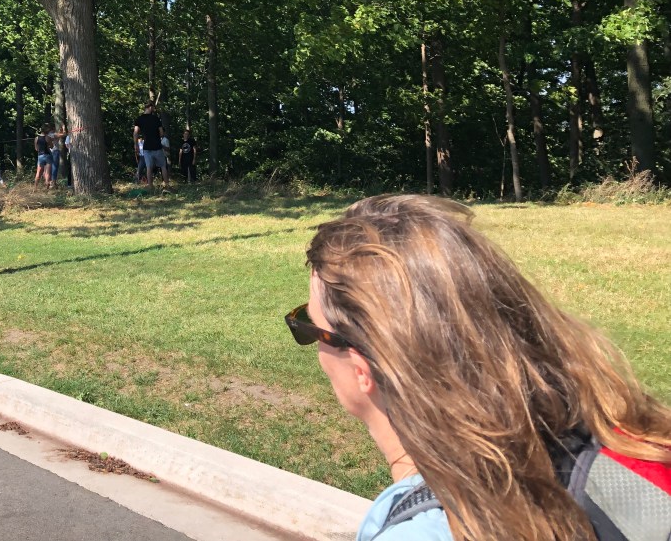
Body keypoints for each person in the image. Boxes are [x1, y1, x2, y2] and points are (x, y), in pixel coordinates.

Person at [287, 195, 671, 541]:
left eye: (308, 326)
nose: (309, 338)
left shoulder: (430, 529)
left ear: (361, 369)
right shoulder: (613, 434)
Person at [133, 102, 168, 187]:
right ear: (150, 107)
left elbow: (135, 133)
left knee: (149, 167)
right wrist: (157, 136)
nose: (154, 109)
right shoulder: (156, 118)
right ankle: (167, 185)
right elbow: (161, 133)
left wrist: (136, 145)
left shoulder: (139, 119)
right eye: (153, 108)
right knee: (163, 166)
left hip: (147, 147)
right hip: (157, 146)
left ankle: (150, 186)